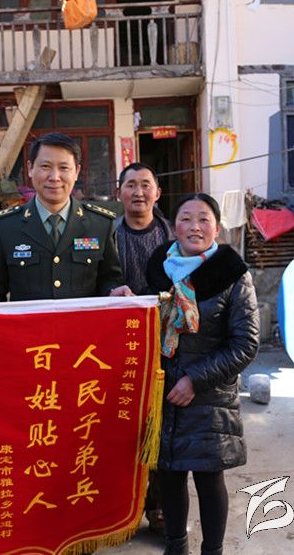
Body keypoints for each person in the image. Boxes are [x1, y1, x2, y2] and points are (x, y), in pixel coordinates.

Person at [144, 193, 260, 555]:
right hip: (163, 394)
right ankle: (175, 548)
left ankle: (213, 551)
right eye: (186, 218)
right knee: (169, 476)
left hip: (209, 397)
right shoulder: (158, 270)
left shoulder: (232, 274)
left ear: (217, 228)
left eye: (203, 219)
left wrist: (195, 380)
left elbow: (245, 343)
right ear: (173, 226)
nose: (194, 226)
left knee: (209, 478)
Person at [0, 132, 130, 304]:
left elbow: (109, 279)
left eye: (64, 168)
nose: (54, 177)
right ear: (30, 168)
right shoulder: (5, 226)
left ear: (76, 172)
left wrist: (114, 291)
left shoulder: (100, 224)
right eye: (45, 167)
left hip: (82, 325)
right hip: (28, 325)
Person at [114, 162, 173, 535]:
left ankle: (160, 506)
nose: (138, 192)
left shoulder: (174, 237)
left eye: (145, 185)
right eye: (131, 185)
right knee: (121, 429)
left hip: (167, 348)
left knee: (162, 429)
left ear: (157, 193)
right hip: (117, 348)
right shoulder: (106, 235)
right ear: (119, 192)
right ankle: (121, 508)